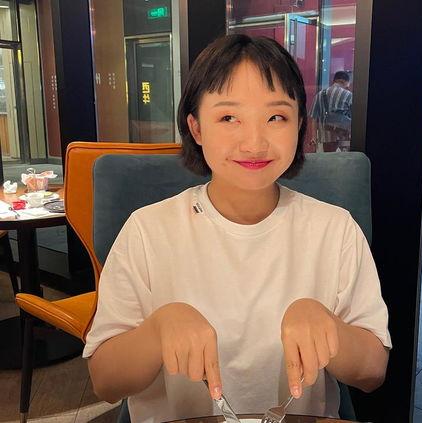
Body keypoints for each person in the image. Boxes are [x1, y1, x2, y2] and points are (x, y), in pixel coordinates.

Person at [83, 34, 391, 423]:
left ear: (299, 125)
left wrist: (331, 330)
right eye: (228, 117)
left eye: (276, 117)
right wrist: (157, 330)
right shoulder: (147, 230)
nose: (254, 143)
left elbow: (372, 372)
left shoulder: (335, 230)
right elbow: (105, 381)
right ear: (196, 128)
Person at [309, 71, 353, 152]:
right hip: (344, 136)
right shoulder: (349, 95)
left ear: (334, 81)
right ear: (345, 82)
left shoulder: (319, 95)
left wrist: (314, 137)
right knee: (345, 159)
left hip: (326, 137)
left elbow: (314, 118)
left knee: (329, 158)